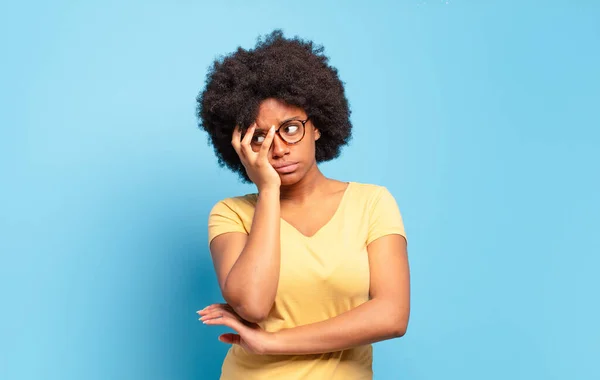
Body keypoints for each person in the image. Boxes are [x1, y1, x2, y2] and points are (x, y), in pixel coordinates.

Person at [195, 29, 410, 380]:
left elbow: (392, 316)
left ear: (318, 126)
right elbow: (252, 304)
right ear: (241, 146)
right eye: (260, 136)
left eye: (291, 128)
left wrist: (270, 343)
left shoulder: (372, 203)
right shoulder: (231, 214)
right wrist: (267, 191)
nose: (278, 148)